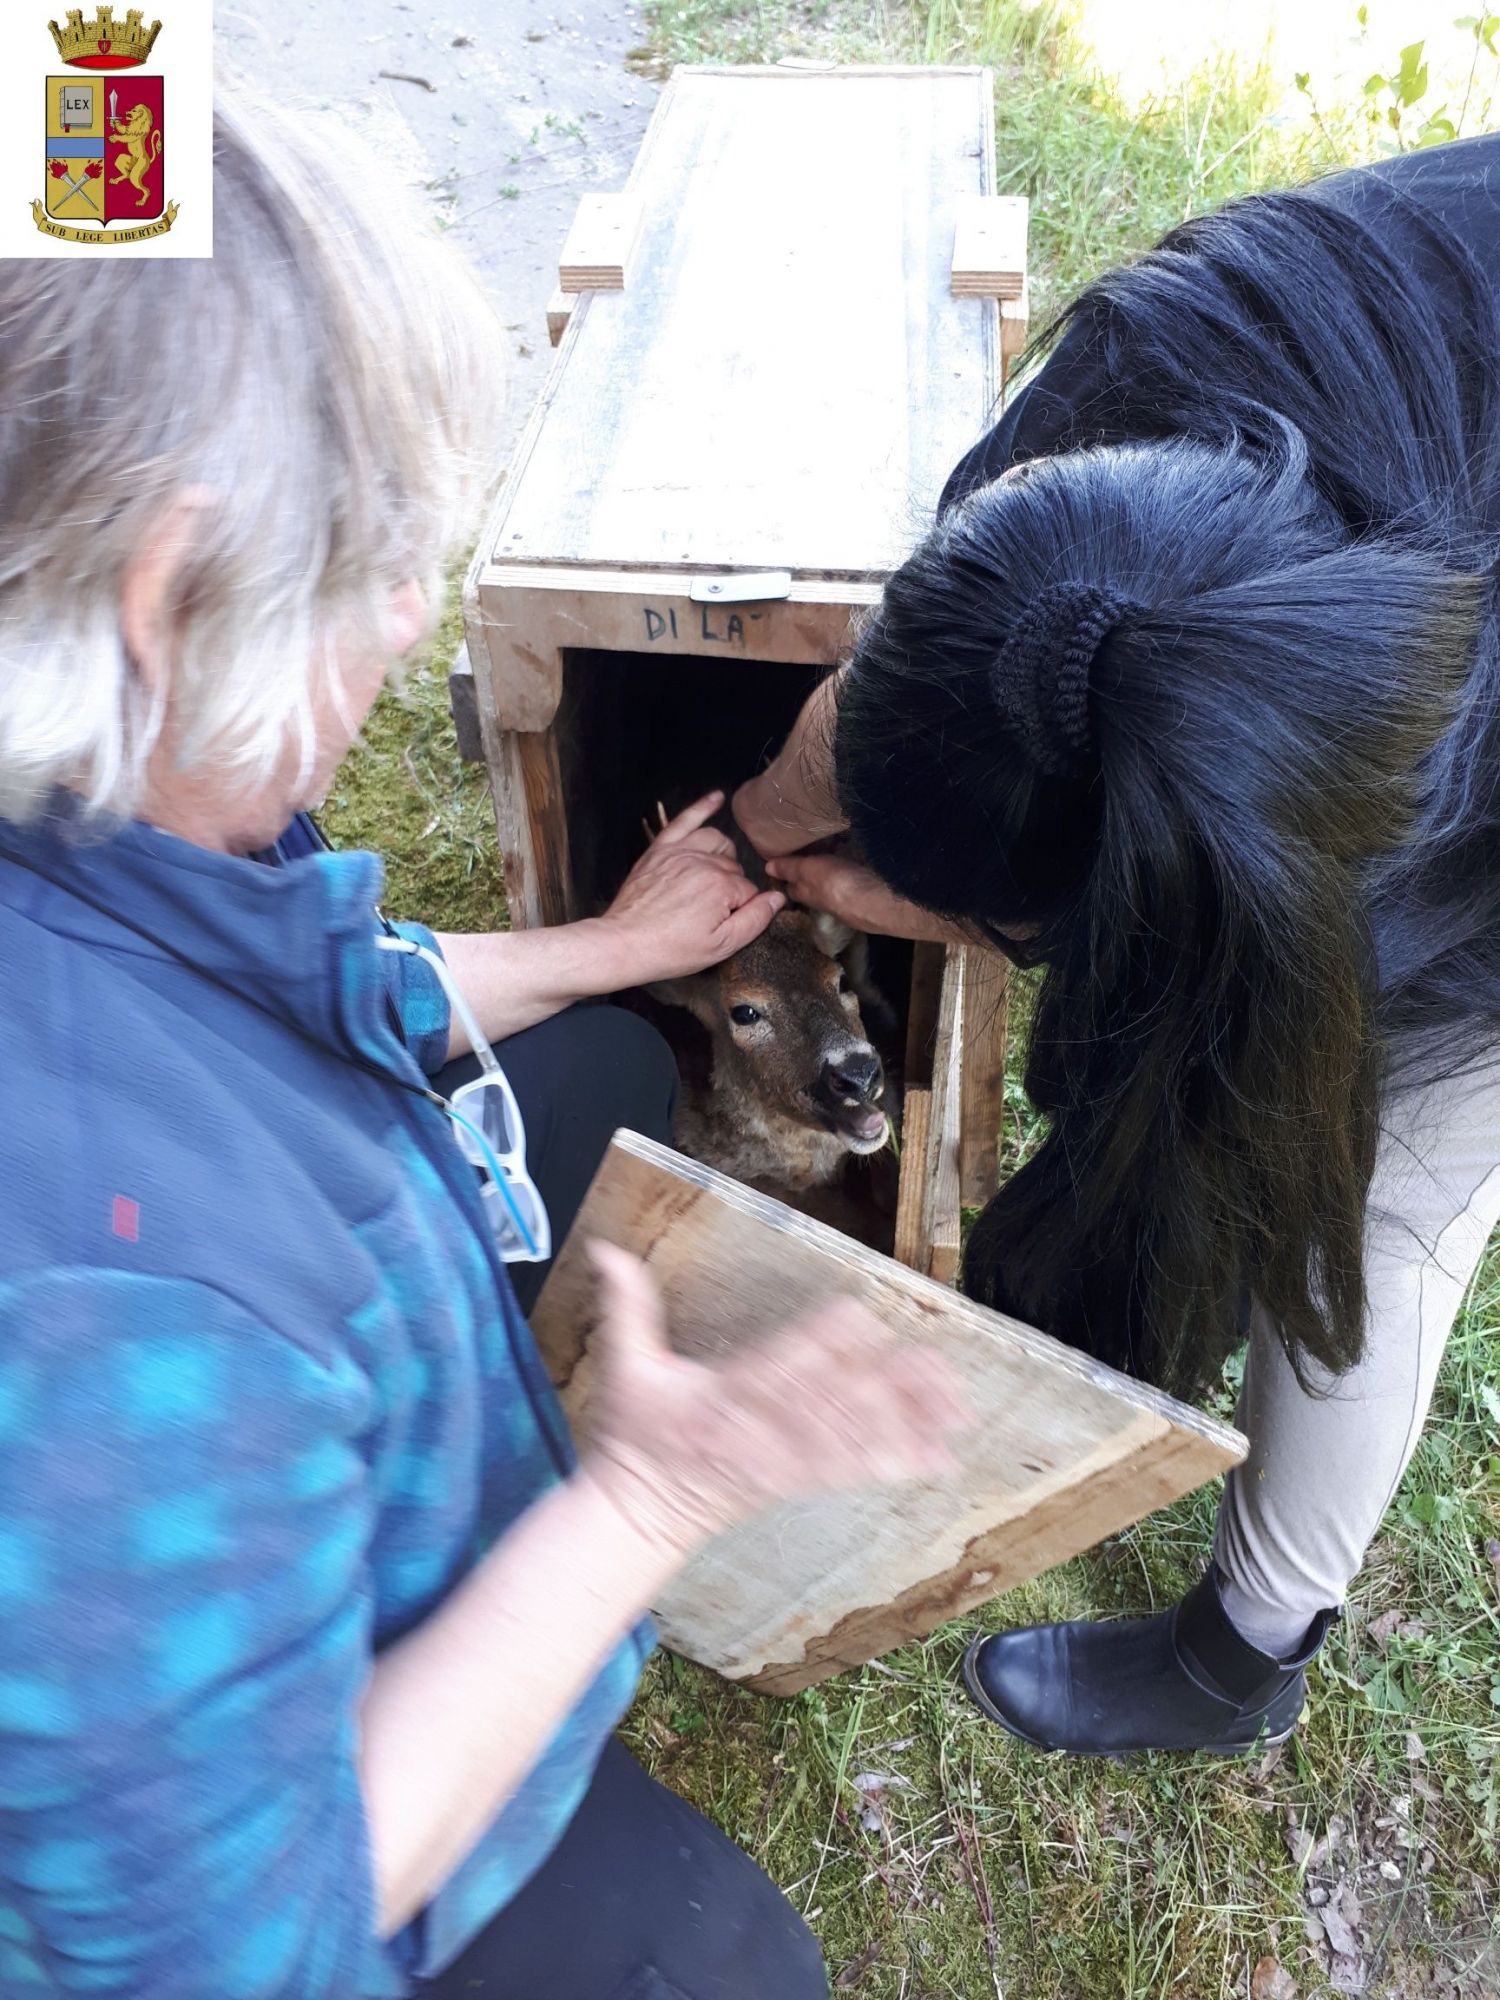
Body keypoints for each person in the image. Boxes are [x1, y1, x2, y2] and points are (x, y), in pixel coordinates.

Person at [0, 90, 971, 2000]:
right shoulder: (112, 1310)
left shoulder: (103, 822)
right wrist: (643, 1505)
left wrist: (611, 947)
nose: (401, 629)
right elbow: (235, 1946)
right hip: (286, 1840)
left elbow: (285, 978)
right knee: (733, 1967)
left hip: (286, 1323)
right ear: (164, 589)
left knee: (603, 1070)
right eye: (384, 574)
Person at [733, 131, 1500, 1759]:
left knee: (1386, 1183)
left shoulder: (1426, 828)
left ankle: (1245, 1652)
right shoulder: (1120, 418)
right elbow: (916, 685)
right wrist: (772, 804)